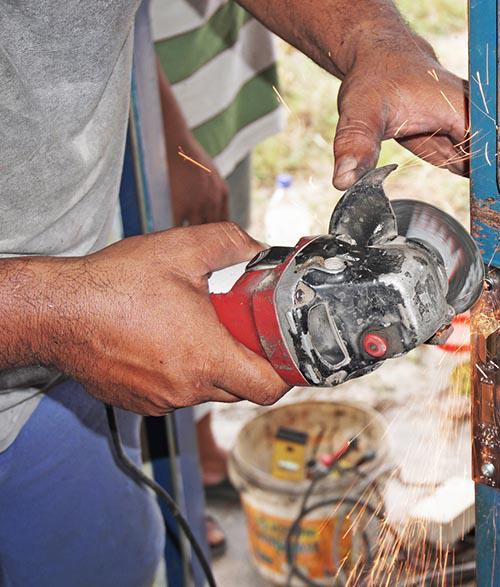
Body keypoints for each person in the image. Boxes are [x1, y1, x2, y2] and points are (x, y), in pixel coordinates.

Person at [0, 0, 500, 584]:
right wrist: (54, 314)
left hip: (65, 352)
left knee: (109, 562)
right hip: (61, 318)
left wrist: (377, 41)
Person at [153, 0, 288, 557]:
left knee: (225, 276)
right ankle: (170, 483)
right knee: (167, 310)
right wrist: (174, 142)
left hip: (219, 75)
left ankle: (202, 454)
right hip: (163, 102)